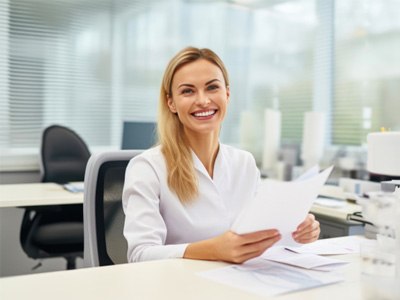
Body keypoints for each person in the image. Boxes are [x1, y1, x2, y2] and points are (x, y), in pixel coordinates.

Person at [122, 46, 320, 264]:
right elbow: (140, 254)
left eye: (212, 87)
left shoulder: (244, 163)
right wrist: (214, 250)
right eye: (188, 91)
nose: (203, 100)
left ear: (227, 94)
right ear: (172, 103)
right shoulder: (147, 168)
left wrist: (296, 231)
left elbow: (261, 234)